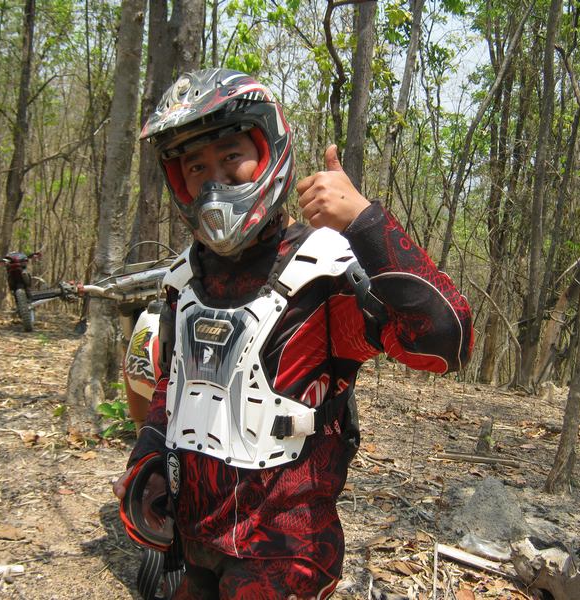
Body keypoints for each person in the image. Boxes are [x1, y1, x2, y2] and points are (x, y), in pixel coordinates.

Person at [114, 68, 473, 599]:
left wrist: (365, 221)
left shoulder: (323, 274)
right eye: (196, 166)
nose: (215, 181)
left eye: (231, 156)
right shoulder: (185, 279)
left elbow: (446, 342)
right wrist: (148, 458)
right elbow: (174, 386)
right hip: (196, 537)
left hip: (285, 553)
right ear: (177, 178)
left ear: (269, 150)